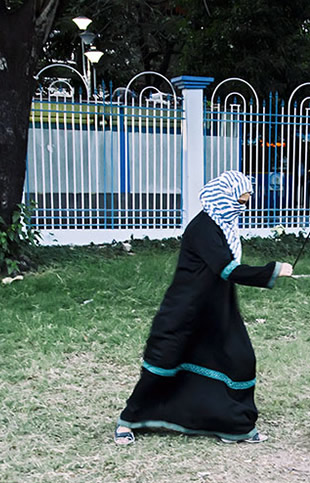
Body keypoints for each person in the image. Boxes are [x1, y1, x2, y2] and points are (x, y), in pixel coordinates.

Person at [115, 170, 293, 445]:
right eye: (241, 199)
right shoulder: (203, 228)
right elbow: (226, 268)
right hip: (186, 308)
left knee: (239, 359)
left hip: (217, 308)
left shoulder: (224, 226)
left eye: (247, 199)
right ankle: (130, 420)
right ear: (226, 198)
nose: (245, 205)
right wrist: (273, 270)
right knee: (164, 362)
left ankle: (233, 426)